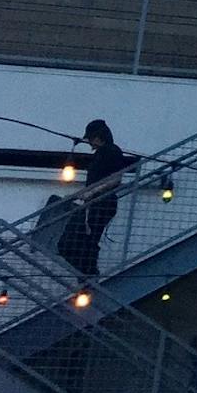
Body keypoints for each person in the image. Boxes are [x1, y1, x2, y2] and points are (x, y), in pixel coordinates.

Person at [55, 119, 131, 282]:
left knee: (86, 240)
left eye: (90, 139)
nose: (90, 144)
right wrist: (82, 194)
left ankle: (88, 275)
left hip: (102, 202)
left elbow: (116, 179)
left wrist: (92, 193)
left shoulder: (112, 151)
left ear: (97, 137)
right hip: (93, 202)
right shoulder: (101, 154)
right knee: (71, 241)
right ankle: (86, 273)